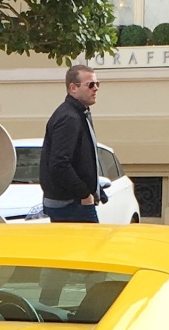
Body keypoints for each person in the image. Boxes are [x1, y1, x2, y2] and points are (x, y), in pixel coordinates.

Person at [39, 65, 106, 223]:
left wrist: (95, 188)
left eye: (97, 84)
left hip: (73, 203)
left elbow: (81, 160)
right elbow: (59, 163)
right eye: (90, 85)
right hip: (70, 205)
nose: (95, 89)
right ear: (73, 88)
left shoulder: (78, 114)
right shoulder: (69, 117)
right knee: (88, 247)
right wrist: (84, 193)